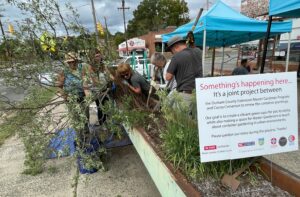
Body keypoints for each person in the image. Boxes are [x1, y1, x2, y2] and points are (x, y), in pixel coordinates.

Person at [57, 52, 92, 145]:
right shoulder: (64, 71)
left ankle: (86, 137)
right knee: (76, 119)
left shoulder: (81, 68)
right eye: (70, 62)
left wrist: (88, 96)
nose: (72, 63)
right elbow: (59, 86)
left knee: (85, 117)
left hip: (82, 96)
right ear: (67, 63)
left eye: (73, 61)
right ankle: (80, 139)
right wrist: (65, 97)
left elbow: (85, 84)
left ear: (76, 61)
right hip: (71, 99)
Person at [165, 35, 203, 108]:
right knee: (194, 118)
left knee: (178, 117)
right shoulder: (198, 52)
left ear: (175, 47)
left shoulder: (176, 57)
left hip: (185, 94)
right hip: (198, 92)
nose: (172, 53)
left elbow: (168, 77)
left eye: (171, 50)